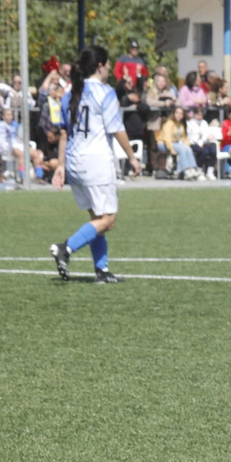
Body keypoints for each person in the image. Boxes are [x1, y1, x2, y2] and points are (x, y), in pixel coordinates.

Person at [49, 45, 141, 284]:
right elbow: (117, 129)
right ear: (100, 65)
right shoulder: (105, 92)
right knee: (108, 220)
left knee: (97, 218)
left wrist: (60, 164)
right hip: (96, 162)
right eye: (109, 63)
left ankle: (101, 270)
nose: (110, 67)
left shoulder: (70, 92)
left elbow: (63, 133)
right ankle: (66, 248)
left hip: (75, 162)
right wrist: (132, 157)